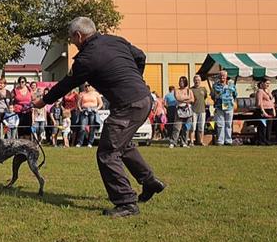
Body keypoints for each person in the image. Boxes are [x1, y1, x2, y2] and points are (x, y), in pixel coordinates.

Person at [34, 17, 165, 218]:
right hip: (144, 99)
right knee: (124, 144)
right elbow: (141, 56)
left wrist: (43, 101)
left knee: (107, 153)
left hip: (128, 105)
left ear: (79, 35)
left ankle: (126, 202)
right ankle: (149, 182)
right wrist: (136, 80)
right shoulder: (116, 40)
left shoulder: (85, 59)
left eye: (72, 39)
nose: (73, 43)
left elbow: (65, 85)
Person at [212, 71, 237, 146]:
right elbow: (212, 95)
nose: (222, 77)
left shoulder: (231, 85)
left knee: (228, 124)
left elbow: (235, 94)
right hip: (219, 107)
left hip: (229, 106)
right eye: (221, 76)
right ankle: (220, 141)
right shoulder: (215, 85)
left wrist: (232, 102)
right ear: (219, 77)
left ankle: (228, 140)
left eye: (224, 76)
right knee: (220, 124)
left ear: (226, 76)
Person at [76, 83, 104, 147]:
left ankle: (90, 143)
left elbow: (101, 103)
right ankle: (80, 142)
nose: (87, 87)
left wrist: (97, 109)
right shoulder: (82, 93)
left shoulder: (96, 93)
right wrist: (80, 109)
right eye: (86, 86)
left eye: (89, 85)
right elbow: (78, 103)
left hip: (93, 111)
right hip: (84, 111)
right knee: (82, 127)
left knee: (92, 128)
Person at [170, 76, 194, 148]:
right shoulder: (176, 90)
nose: (181, 83)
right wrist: (187, 98)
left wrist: (184, 99)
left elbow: (192, 99)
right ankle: (173, 142)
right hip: (179, 110)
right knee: (177, 127)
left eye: (183, 81)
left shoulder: (189, 90)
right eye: (180, 81)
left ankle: (184, 142)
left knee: (186, 128)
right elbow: (178, 98)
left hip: (187, 111)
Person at [255, 79, 275, 145]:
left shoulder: (268, 91)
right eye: (266, 83)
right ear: (262, 83)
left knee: (269, 127)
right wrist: (263, 111)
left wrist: (273, 110)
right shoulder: (260, 91)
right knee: (262, 126)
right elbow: (259, 102)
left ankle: (268, 140)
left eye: (269, 83)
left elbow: (271, 101)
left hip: (270, 110)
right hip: (263, 110)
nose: (268, 85)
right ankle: (261, 141)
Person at [190, 75, 208, 146]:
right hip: (193, 111)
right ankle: (191, 141)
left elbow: (205, 97)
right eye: (195, 80)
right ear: (193, 81)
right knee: (192, 127)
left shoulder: (203, 89)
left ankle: (201, 141)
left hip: (202, 111)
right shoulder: (191, 89)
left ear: (200, 81)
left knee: (201, 127)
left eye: (198, 80)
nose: (197, 81)